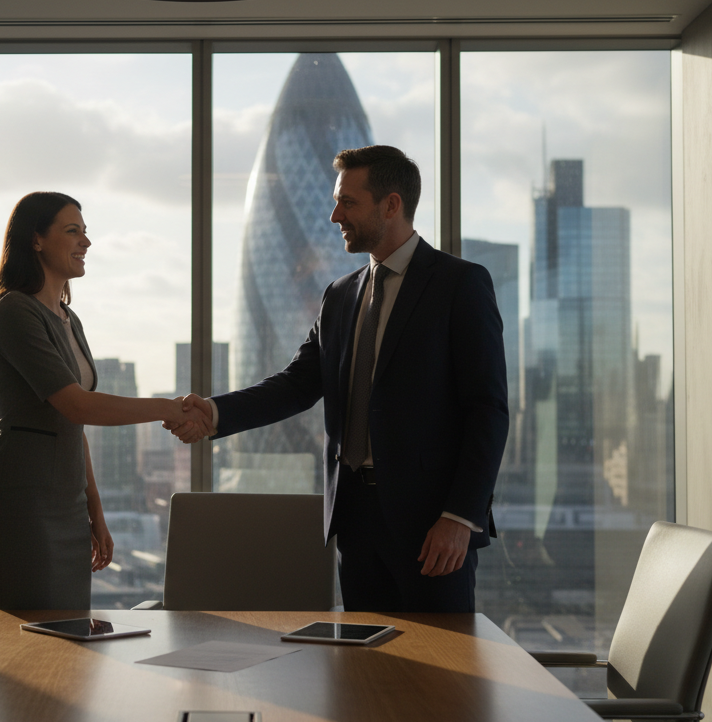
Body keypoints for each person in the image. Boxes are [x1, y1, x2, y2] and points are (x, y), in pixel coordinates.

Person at [174, 146, 508, 613]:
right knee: (363, 674)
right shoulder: (340, 295)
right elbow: (296, 385)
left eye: (347, 202)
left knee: (440, 675)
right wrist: (214, 412)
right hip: (354, 522)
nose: (334, 215)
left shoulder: (460, 284)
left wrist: (460, 517)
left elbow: (486, 410)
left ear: (391, 205)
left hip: (432, 529)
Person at [0, 191, 200, 610]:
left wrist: (93, 508)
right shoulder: (12, 311)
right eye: (72, 231)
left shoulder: (68, 318)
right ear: (36, 239)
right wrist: (169, 408)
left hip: (67, 502)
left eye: (85, 232)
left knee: (68, 637)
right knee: (27, 647)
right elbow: (77, 406)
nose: (86, 243)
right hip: (23, 500)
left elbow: (72, 428)